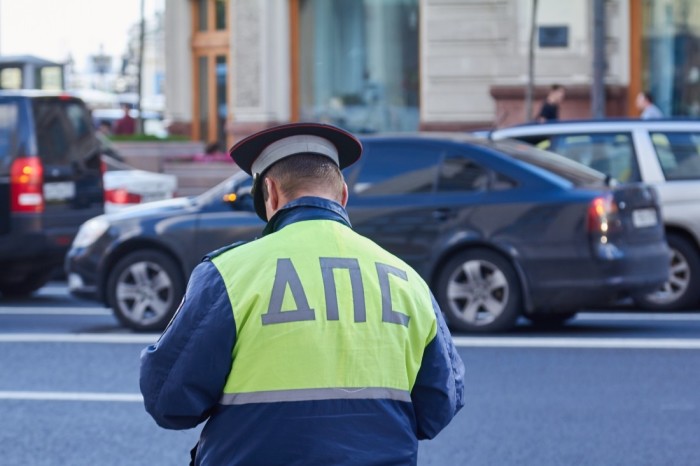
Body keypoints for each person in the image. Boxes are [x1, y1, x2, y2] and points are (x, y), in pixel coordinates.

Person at [140, 122, 465, 466]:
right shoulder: (407, 280)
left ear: (272, 193)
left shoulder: (228, 275)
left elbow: (168, 401)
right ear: (342, 195)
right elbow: (438, 407)